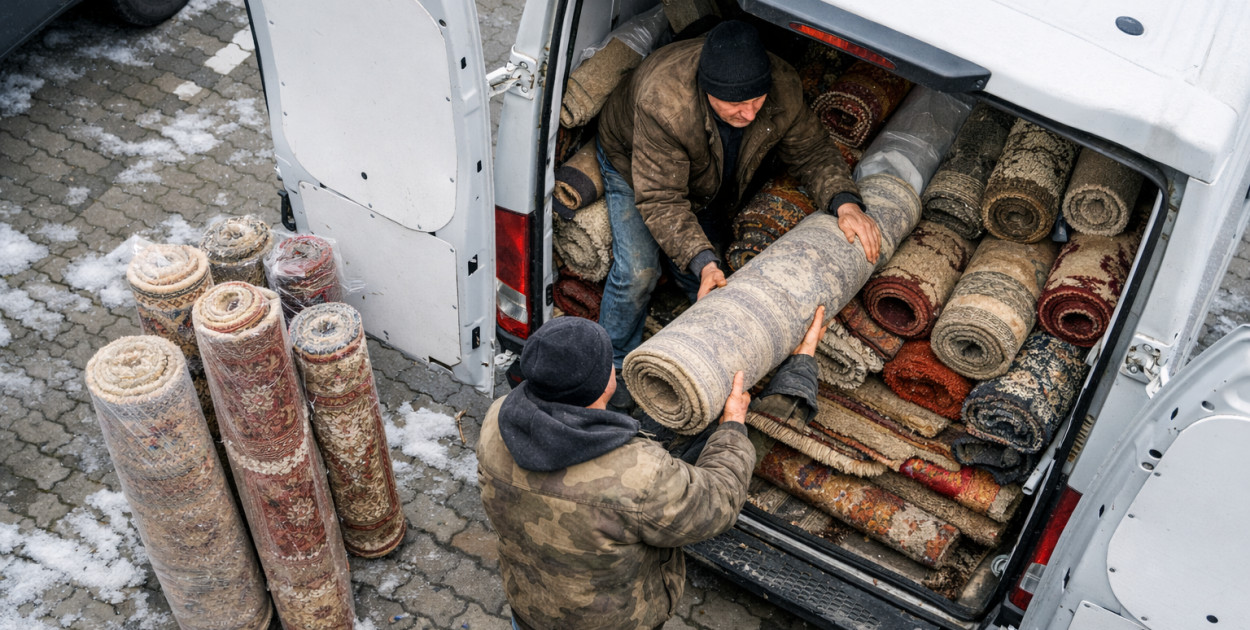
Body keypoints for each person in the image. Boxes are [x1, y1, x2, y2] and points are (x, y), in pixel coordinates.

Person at [476, 308, 828, 630]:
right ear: (604, 382)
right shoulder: (639, 474)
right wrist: (734, 425)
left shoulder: (497, 420)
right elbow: (718, 501)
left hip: (529, 610)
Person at [595, 19, 881, 408]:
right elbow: (662, 198)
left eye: (756, 101)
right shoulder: (664, 100)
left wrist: (845, 203)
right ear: (706, 89)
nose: (748, 114)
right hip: (632, 164)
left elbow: (812, 151)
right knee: (639, 271)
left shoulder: (781, 86)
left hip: (706, 172)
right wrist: (702, 261)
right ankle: (607, 374)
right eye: (734, 104)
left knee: (716, 273)